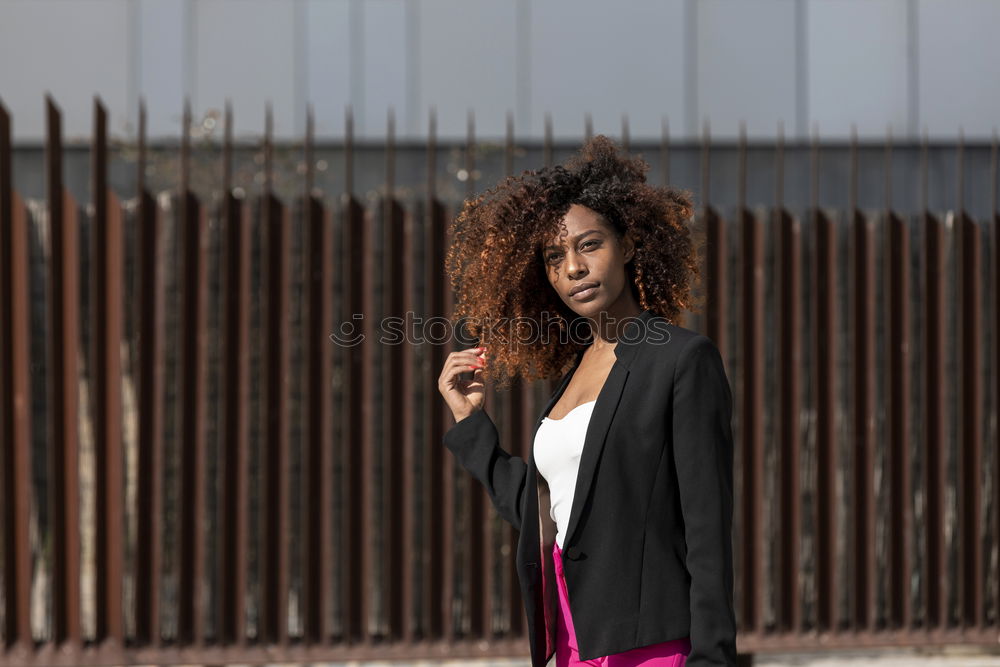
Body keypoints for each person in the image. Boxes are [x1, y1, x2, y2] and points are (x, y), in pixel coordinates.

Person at [437, 135, 737, 667]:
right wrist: (472, 427)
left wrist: (712, 658)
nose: (572, 267)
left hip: (652, 649)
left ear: (628, 245)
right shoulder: (575, 372)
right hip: (572, 645)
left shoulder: (680, 359)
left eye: (589, 245)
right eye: (555, 257)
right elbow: (550, 512)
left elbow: (707, 531)